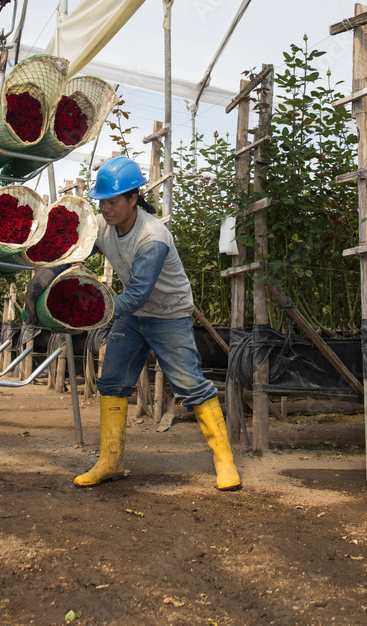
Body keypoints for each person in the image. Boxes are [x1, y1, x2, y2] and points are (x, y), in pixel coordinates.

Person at [73, 155, 241, 491]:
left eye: (113, 202)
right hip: (134, 318)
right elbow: (77, 249)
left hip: (169, 314)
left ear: (133, 198)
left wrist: (94, 313)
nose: (106, 209)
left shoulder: (152, 237)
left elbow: (135, 296)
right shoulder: (103, 226)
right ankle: (110, 461)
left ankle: (225, 462)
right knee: (113, 381)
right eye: (102, 202)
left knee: (190, 385)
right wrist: (50, 270)